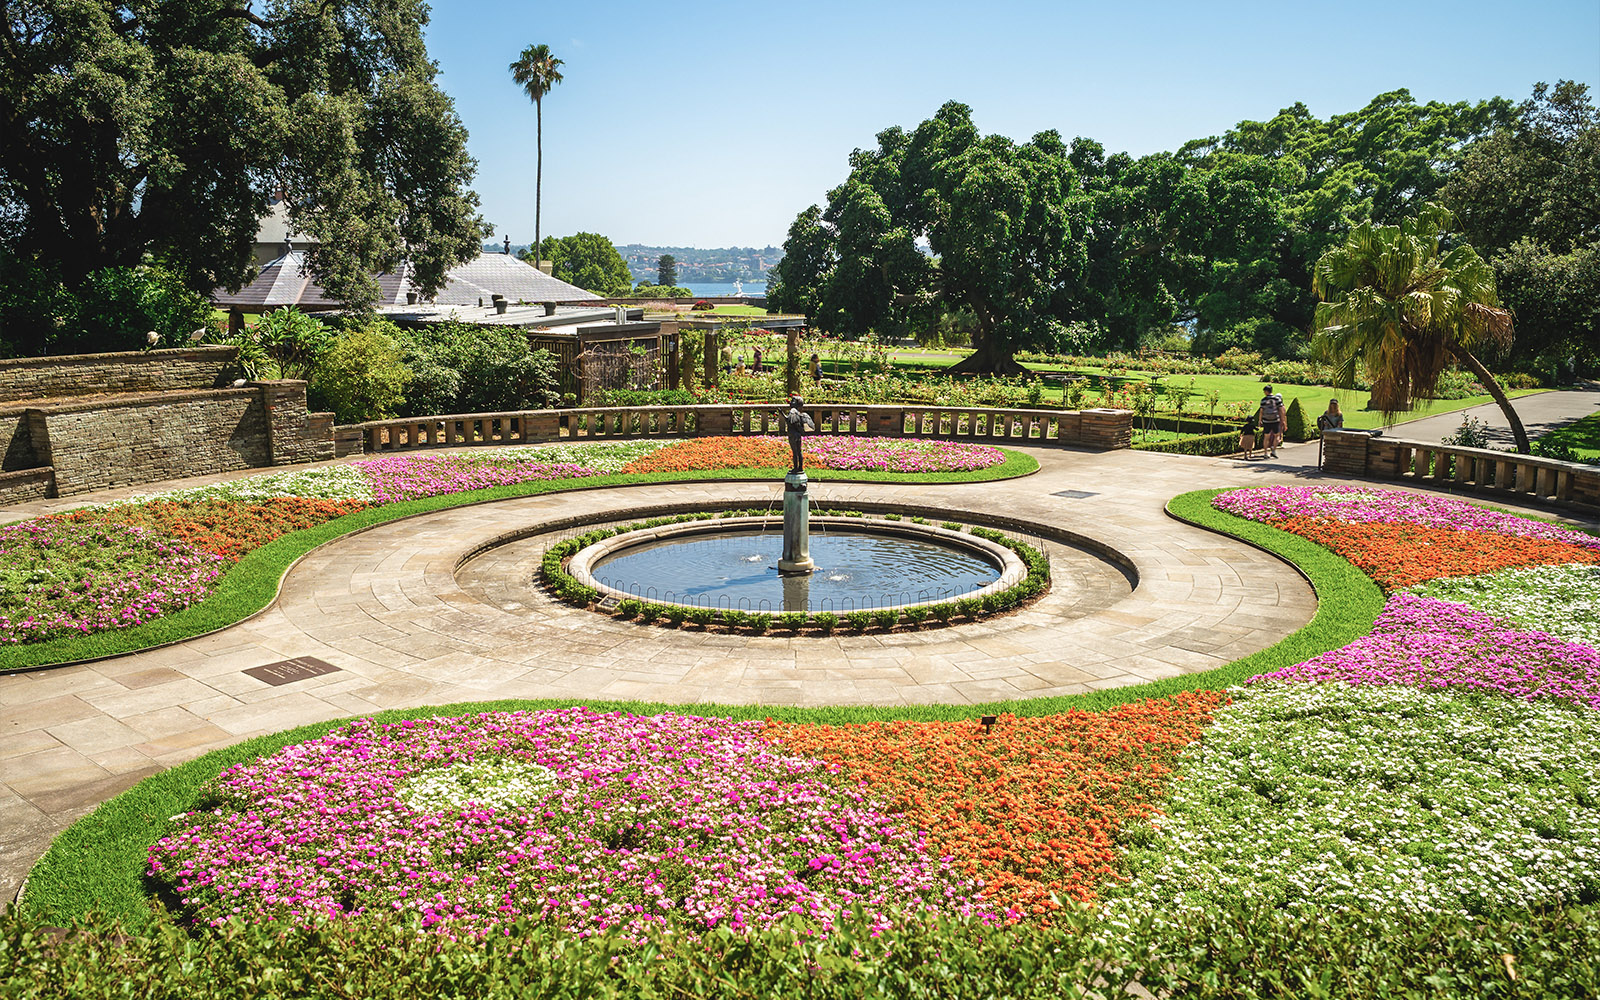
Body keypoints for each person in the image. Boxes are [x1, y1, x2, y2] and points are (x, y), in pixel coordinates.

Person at [1256, 384, 1285, 458]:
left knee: (1266, 437)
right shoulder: (1277, 399)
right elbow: (1281, 410)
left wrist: (1260, 420)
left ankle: (1265, 453)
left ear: (1266, 391)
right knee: (1277, 436)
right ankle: (1273, 450)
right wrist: (1283, 420)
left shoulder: (1263, 400)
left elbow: (1261, 411)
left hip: (1266, 420)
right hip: (1275, 420)